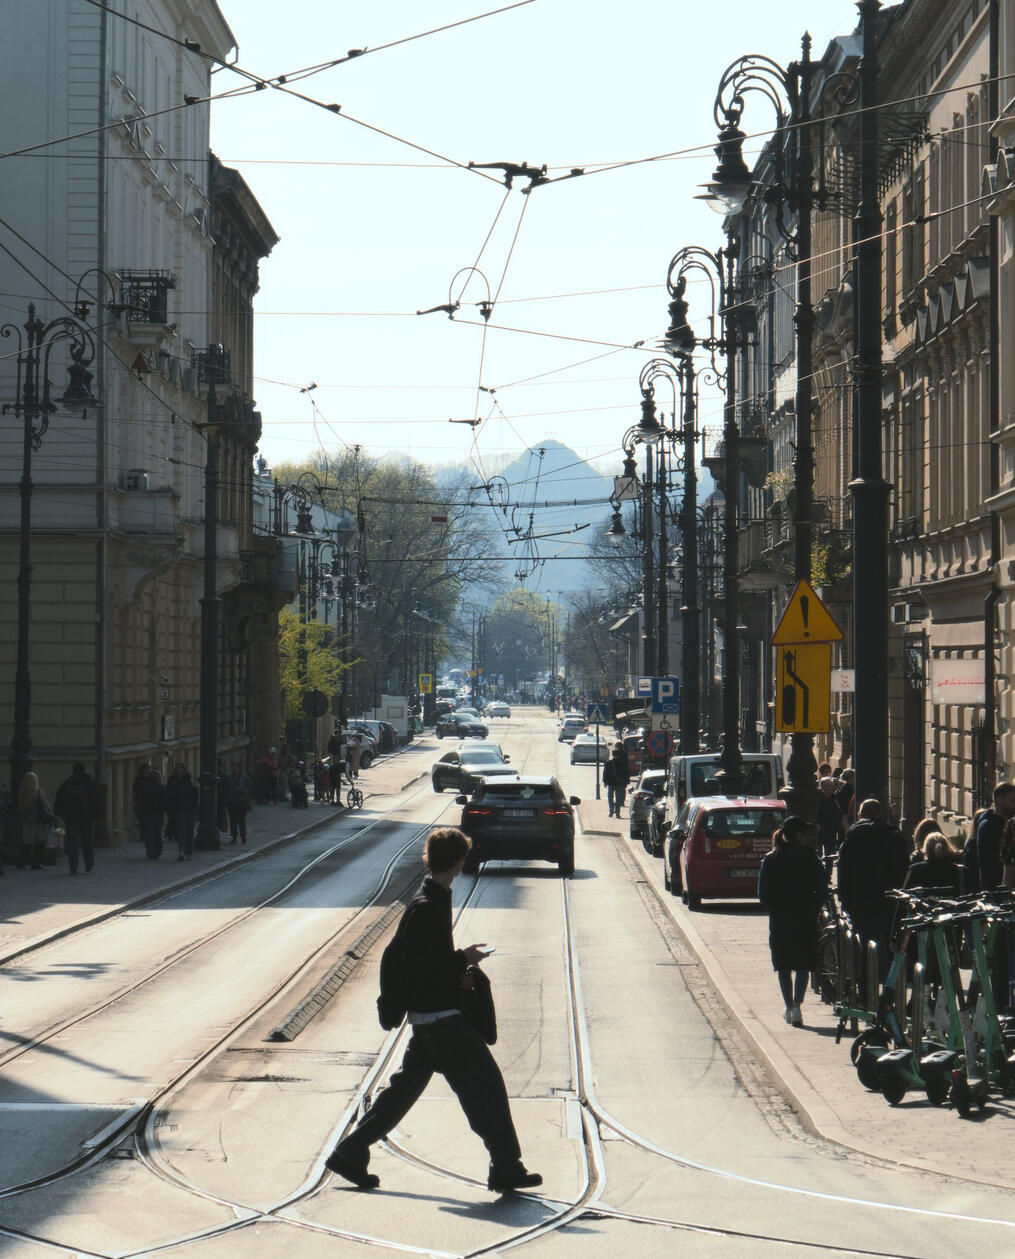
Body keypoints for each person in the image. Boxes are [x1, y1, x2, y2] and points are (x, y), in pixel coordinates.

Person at [324, 827, 541, 1195]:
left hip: (428, 1019)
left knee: (401, 1093)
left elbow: (417, 963)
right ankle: (505, 1165)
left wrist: (457, 972)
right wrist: (464, 960)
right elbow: (427, 966)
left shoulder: (430, 897)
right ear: (459, 860)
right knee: (485, 1088)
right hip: (442, 1021)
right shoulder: (428, 907)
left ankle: (350, 1151)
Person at [758, 815, 828, 1027]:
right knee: (802, 964)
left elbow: (763, 893)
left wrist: (774, 909)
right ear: (798, 835)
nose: (807, 836)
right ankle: (797, 1004)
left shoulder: (771, 858)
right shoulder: (810, 856)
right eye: (804, 832)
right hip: (805, 916)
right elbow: (822, 887)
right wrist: (815, 907)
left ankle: (789, 1005)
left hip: (780, 919)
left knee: (783, 964)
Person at [837, 798, 909, 980]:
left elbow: (844, 872)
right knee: (891, 944)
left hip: (860, 902)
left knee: (866, 946)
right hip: (888, 901)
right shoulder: (893, 836)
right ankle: (892, 990)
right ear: (880, 815)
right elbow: (903, 870)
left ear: (860, 815)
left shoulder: (851, 838)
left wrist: (845, 899)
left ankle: (865, 992)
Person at [54, 762, 100, 875]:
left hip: (71, 818)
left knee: (72, 844)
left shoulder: (67, 783)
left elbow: (59, 800)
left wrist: (62, 815)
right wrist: (95, 815)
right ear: (83, 770)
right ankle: (89, 864)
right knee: (86, 842)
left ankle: (73, 867)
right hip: (86, 817)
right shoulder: (89, 782)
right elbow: (96, 800)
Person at [976, 781, 1015, 892]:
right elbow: (998, 861)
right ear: (999, 800)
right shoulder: (989, 826)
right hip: (996, 891)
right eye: (1012, 801)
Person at [17, 771, 53, 869]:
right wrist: (51, 813)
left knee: (27, 843)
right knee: (39, 842)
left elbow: (20, 808)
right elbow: (46, 805)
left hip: (27, 821)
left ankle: (22, 862)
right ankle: (35, 862)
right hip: (39, 820)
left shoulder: (21, 792)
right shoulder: (38, 792)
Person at [166, 764, 199, 860]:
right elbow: (195, 802)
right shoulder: (194, 788)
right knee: (190, 833)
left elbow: (174, 800)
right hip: (191, 813)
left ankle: (181, 851)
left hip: (180, 813)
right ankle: (189, 853)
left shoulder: (178, 788)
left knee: (181, 833)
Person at [136, 769, 166, 860]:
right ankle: (157, 851)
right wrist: (163, 809)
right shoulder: (161, 788)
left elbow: (138, 799)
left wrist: (139, 810)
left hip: (146, 814)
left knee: (149, 834)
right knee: (157, 833)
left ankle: (150, 853)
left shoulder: (143, 787)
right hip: (157, 814)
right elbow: (165, 801)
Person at [223, 762, 253, 844]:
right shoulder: (229, 777)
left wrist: (242, 790)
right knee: (232, 821)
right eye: (233, 767)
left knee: (241, 821)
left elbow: (250, 786)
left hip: (241, 802)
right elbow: (226, 789)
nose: (233, 769)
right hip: (231, 802)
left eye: (235, 767)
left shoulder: (244, 777)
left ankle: (243, 836)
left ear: (239, 768)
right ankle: (234, 837)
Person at [815, 776, 844, 857]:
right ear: (822, 787)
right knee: (819, 854)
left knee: (830, 855)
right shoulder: (818, 799)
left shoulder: (834, 798)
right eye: (829, 786)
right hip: (820, 831)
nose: (832, 788)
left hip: (831, 830)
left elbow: (838, 812)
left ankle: (828, 869)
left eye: (832, 785)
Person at [602, 743, 630, 818]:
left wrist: (604, 782)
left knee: (610, 797)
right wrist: (626, 782)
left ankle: (611, 809)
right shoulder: (623, 763)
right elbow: (626, 773)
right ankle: (617, 812)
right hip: (620, 784)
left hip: (611, 783)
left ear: (613, 754)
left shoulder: (608, 763)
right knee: (618, 799)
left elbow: (605, 773)